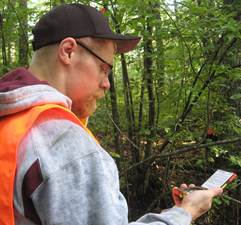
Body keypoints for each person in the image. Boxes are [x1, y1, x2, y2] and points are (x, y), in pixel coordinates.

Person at [0, 3, 222, 225]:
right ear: (68, 51)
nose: (107, 84)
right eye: (104, 69)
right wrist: (185, 212)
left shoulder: (10, 120)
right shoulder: (65, 143)